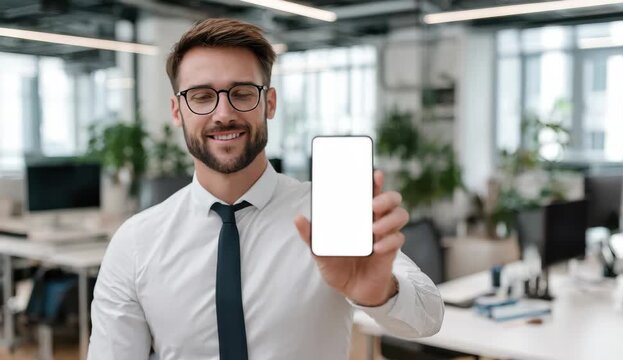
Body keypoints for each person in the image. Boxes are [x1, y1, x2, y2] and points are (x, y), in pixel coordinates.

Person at [88, 18, 443, 360]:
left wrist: (380, 293)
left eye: (242, 93)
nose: (223, 113)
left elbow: (429, 316)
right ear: (177, 110)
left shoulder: (328, 214)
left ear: (269, 103)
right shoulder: (136, 242)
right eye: (200, 96)